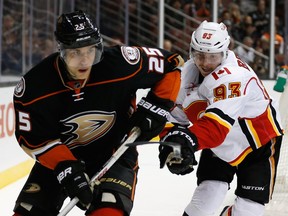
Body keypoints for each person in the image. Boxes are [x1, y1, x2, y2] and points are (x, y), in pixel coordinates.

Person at [12, 10, 183, 216]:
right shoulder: (34, 88)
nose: (84, 61)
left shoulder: (119, 64)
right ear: (61, 50)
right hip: (62, 159)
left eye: (89, 50)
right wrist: (66, 168)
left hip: (114, 152)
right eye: (75, 53)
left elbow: (172, 63)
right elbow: (33, 139)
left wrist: (156, 106)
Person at [158, 20, 283, 216]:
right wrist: (171, 142)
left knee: (249, 211)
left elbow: (215, 128)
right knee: (205, 201)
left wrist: (186, 141)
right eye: (200, 55)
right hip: (218, 142)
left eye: (213, 56)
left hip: (258, 142)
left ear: (225, 52)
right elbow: (172, 116)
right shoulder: (185, 75)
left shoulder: (234, 77)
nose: (205, 63)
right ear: (192, 51)